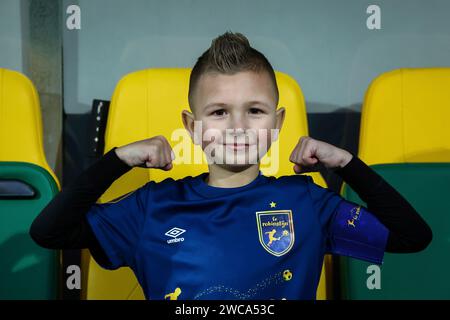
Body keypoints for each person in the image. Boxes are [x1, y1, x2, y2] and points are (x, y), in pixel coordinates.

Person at [29, 32, 432, 300]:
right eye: (219, 112)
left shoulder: (306, 202)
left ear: (277, 123)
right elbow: (49, 232)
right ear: (191, 125)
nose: (238, 126)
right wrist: (116, 160)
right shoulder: (154, 205)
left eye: (255, 111)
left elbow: (412, 236)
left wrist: (346, 164)